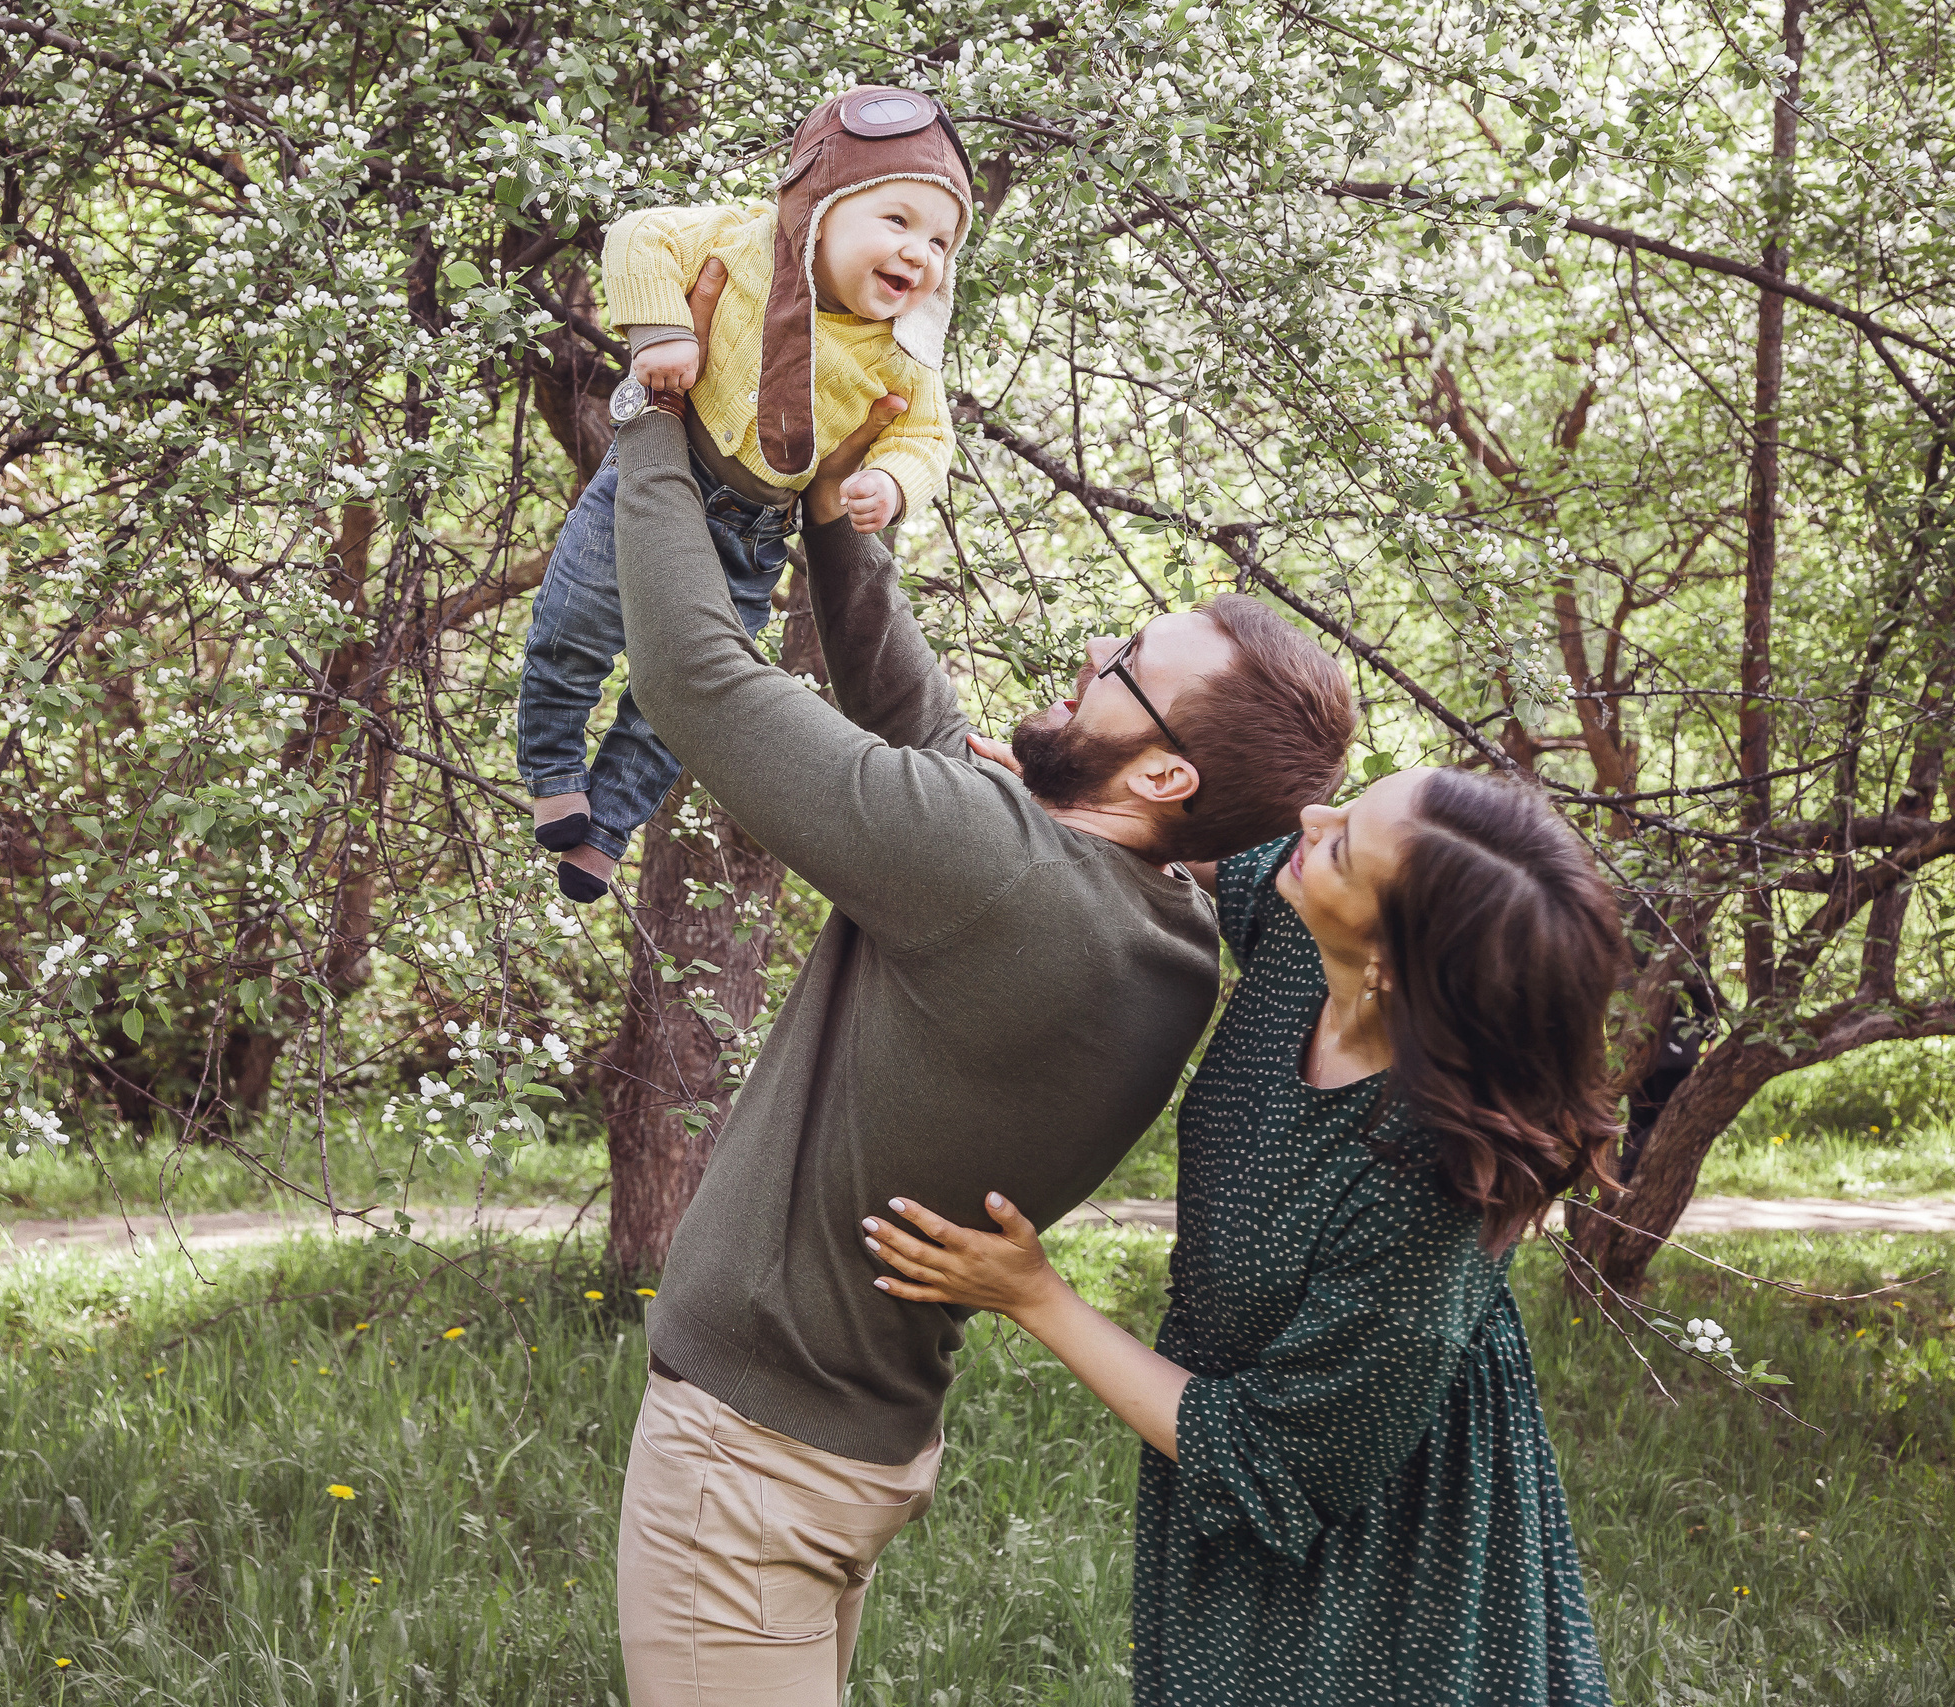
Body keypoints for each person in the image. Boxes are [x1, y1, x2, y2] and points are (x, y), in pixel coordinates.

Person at [605, 268, 1358, 1705]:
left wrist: (652, 406)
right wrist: (835, 518)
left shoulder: (1003, 874)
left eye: (1127, 668)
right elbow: (935, 737)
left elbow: (695, 677)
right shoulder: (1159, 923)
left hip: (753, 1461)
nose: (1094, 654)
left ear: (1163, 775)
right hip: (838, 1443)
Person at [864, 768, 1621, 1705]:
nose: (1310, 816)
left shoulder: (1424, 1191)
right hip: (1249, 1436)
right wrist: (1083, 794)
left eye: (1342, 841)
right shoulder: (1313, 930)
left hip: (1372, 1530)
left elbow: (1272, 1460)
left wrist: (1034, 1296)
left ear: (1393, 962)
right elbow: (1218, 853)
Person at [517, 86, 974, 904]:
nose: (922, 253)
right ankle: (552, 772)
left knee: (683, 695)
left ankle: (610, 825)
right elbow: (636, 237)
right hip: (657, 478)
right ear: (821, 208)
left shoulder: (905, 350)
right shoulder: (744, 242)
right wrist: (664, 332)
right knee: (572, 623)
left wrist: (890, 483)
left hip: (754, 532)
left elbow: (926, 436)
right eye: (897, 222)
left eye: (942, 240)